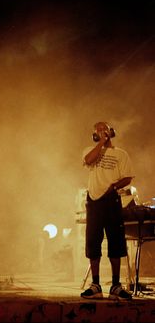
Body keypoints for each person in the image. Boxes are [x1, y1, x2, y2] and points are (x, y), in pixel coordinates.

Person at [80, 121, 134, 300]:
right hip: (94, 201)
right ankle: (96, 285)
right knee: (93, 241)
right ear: (95, 135)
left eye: (105, 128)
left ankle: (116, 285)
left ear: (112, 131)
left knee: (116, 242)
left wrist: (115, 186)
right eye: (98, 130)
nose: (102, 131)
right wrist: (101, 143)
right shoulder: (91, 149)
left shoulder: (121, 154)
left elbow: (128, 177)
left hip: (112, 200)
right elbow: (88, 160)